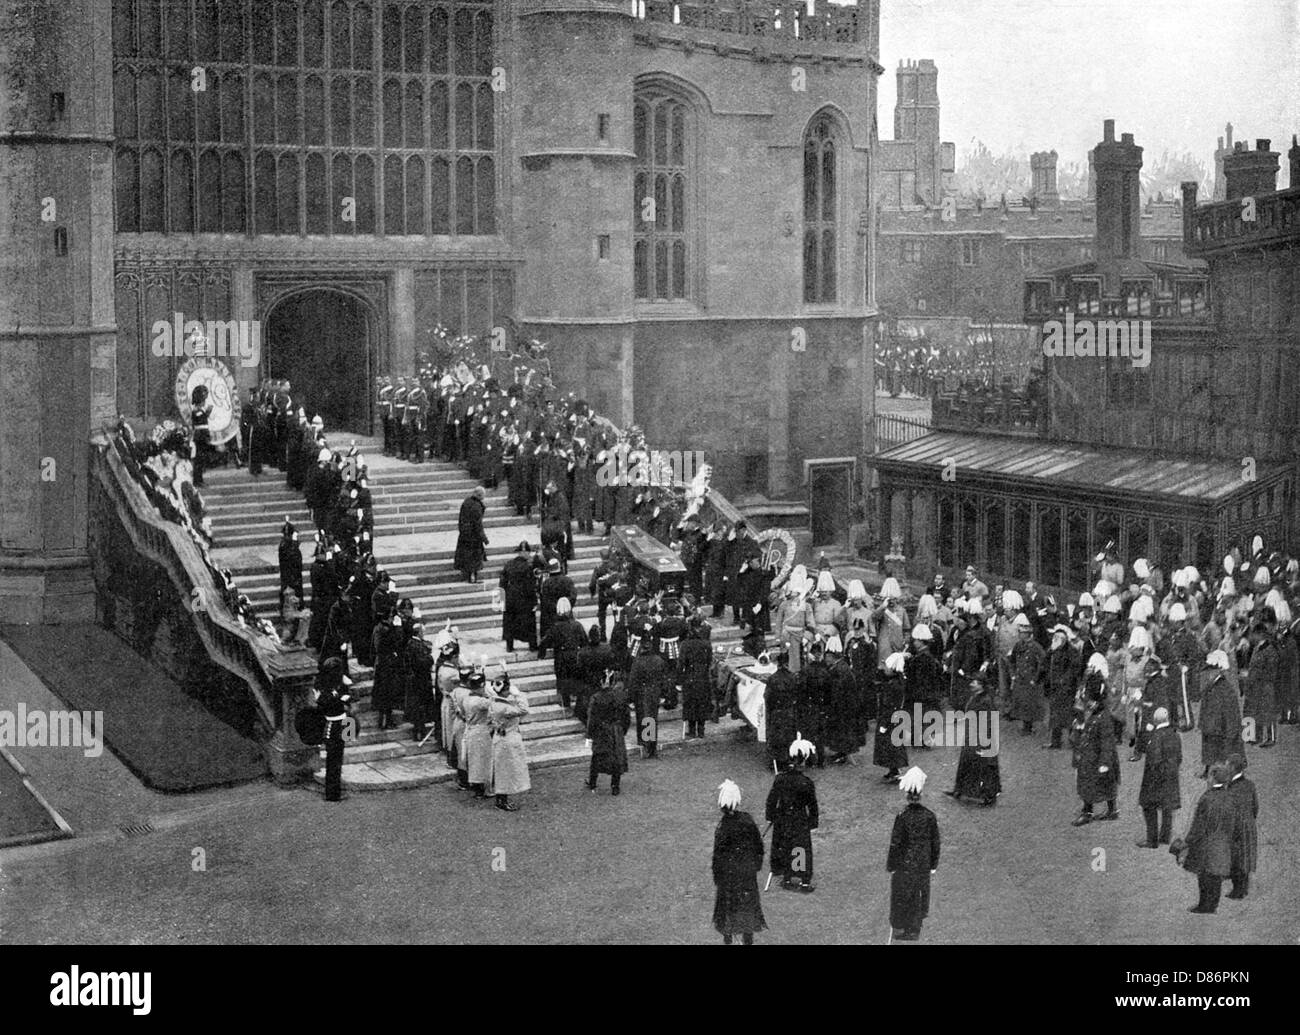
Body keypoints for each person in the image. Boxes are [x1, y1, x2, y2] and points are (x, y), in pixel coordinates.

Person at [887, 767, 940, 941]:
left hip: (905, 862)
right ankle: (915, 926)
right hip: (923, 861)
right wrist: (933, 864)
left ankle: (905, 925)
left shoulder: (902, 817)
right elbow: (935, 842)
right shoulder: (929, 816)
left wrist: (891, 864)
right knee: (919, 894)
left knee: (904, 895)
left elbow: (896, 843)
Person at [711, 779, 767, 945]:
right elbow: (759, 846)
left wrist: (717, 875)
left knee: (727, 910)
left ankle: (728, 940)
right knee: (747, 909)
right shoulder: (747, 820)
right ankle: (748, 941)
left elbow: (717, 855)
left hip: (728, 875)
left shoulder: (723, 827)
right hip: (746, 873)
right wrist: (755, 866)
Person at [1176, 764, 1237, 914]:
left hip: (1206, 843)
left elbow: (1198, 824)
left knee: (1204, 876)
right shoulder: (1230, 797)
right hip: (1223, 842)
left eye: (1209, 776)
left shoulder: (1207, 798)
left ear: (1213, 778)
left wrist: (1187, 842)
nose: (1207, 779)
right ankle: (1213, 905)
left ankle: (1204, 905)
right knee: (1216, 875)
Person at [766, 737, 819, 892]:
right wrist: (813, 822)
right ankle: (804, 881)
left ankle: (787, 878)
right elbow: (812, 805)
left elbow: (771, 800)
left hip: (782, 818)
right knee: (801, 848)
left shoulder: (780, 779)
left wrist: (770, 816)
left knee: (785, 846)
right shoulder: (806, 782)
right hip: (799, 819)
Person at [1073, 654, 1120, 825]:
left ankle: (1091, 811)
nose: (1089, 704)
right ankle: (1106, 808)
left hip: (1098, 756)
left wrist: (1105, 762)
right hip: (1091, 754)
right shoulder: (1094, 714)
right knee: (1099, 783)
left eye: (1092, 702)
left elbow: (1107, 742)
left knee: (1100, 782)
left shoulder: (1103, 718)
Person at [945, 673, 1000, 805]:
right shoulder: (975, 697)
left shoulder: (986, 701)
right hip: (971, 735)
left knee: (983, 766)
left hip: (980, 737)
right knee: (966, 762)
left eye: (974, 682)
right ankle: (960, 790)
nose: (971, 684)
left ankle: (988, 796)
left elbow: (988, 721)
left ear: (981, 685)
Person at [1136, 706, 1181, 847]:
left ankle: (1152, 840)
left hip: (1156, 779)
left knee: (1149, 807)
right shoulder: (1175, 735)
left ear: (1155, 720)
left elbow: (1154, 760)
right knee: (1167, 807)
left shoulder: (1156, 736)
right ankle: (1165, 837)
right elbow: (1179, 758)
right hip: (1172, 776)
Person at [488, 670, 530, 812]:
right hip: (507, 739)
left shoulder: (495, 701)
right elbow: (524, 709)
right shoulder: (504, 707)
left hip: (501, 737)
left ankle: (501, 799)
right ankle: (502, 801)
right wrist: (518, 695)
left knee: (503, 770)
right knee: (505, 771)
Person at [585, 669, 629, 795]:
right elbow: (626, 716)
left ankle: (593, 781)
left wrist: (590, 735)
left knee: (597, 757)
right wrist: (622, 730)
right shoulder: (620, 696)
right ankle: (615, 786)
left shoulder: (596, 698)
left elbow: (591, 718)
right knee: (617, 757)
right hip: (616, 729)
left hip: (601, 731)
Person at [539, 597, 586, 713]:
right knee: (575, 677)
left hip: (561, 655)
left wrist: (542, 653)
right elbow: (584, 641)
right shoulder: (577, 625)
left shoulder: (556, 626)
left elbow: (546, 641)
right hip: (574, 654)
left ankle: (566, 702)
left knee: (563, 678)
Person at [1199, 649, 1243, 776]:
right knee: (1208, 748)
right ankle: (1208, 770)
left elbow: (1230, 716)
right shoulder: (1210, 686)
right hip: (1210, 726)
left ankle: (1224, 772)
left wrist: (1230, 733)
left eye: (1211, 670)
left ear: (1219, 670)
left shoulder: (1226, 689)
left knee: (1222, 750)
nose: (1208, 673)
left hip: (1220, 728)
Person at [316, 657, 352, 803]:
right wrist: (341, 699)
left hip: (342, 722)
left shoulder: (337, 685)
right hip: (332, 724)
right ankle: (331, 793)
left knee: (338, 760)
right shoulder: (325, 688)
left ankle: (335, 791)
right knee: (333, 761)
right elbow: (324, 704)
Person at [1224, 752, 1257, 899]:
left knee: (1236, 858)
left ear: (1232, 768)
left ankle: (1238, 890)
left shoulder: (1231, 788)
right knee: (1245, 857)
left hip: (1236, 827)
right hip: (1248, 825)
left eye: (1227, 766)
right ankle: (1243, 888)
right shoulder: (1250, 785)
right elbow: (1255, 807)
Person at [628, 640, 668, 759]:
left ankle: (645, 745)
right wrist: (663, 694)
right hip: (654, 692)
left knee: (644, 718)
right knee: (652, 718)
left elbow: (633, 681)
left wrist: (630, 698)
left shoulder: (638, 662)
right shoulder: (658, 660)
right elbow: (664, 679)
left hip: (641, 693)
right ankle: (651, 746)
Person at [874, 652, 909, 783]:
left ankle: (895, 771)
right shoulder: (898, 681)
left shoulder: (893, 685)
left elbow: (888, 706)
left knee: (892, 746)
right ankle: (893, 770)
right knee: (892, 745)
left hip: (890, 719)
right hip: (896, 718)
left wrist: (884, 723)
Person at [763, 648, 800, 769]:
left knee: (776, 737)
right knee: (789, 736)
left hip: (776, 712)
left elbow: (767, 697)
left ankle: (776, 761)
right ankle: (789, 760)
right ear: (787, 663)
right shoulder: (793, 678)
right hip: (789, 711)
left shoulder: (772, 678)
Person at [461, 665, 494, 798]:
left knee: (474, 760)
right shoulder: (480, 702)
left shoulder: (467, 699)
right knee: (484, 761)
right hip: (481, 730)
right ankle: (484, 789)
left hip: (471, 729)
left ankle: (477, 787)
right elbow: (493, 701)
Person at [680, 621, 713, 739]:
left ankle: (692, 730)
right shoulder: (706, 644)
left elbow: (681, 663)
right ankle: (701, 730)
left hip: (690, 677)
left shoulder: (685, 644)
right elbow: (710, 661)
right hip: (703, 677)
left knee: (691, 703)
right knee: (702, 702)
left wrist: (680, 678)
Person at [454, 486, 489, 584]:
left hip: (464, 535)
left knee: (467, 557)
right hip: (474, 537)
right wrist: (484, 539)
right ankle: (473, 578)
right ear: (480, 495)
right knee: (474, 558)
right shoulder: (477, 506)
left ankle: (469, 577)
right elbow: (478, 525)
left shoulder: (466, 502)